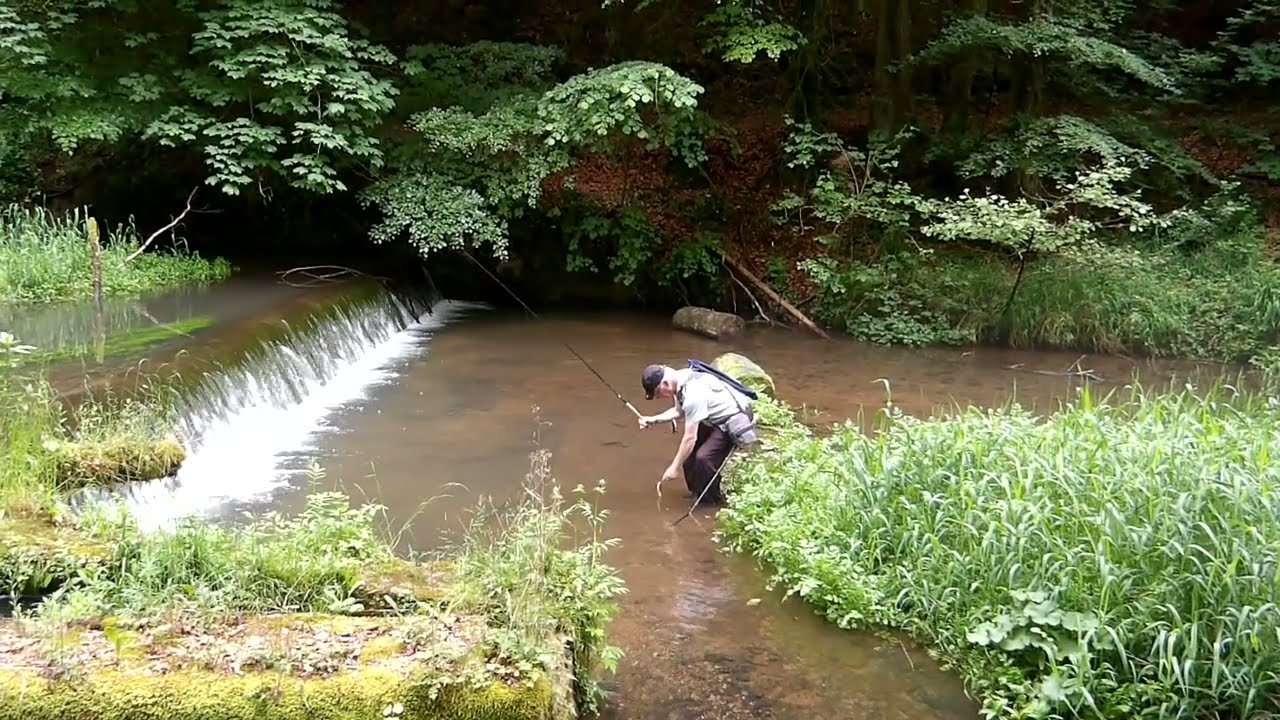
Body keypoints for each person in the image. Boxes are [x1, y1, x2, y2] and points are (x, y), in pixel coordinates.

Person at [637, 362, 758, 504]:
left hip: (731, 418)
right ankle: (697, 492)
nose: (658, 398)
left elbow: (690, 438)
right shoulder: (679, 380)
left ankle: (711, 502)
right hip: (711, 416)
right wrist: (654, 420)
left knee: (703, 458)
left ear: (666, 384)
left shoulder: (692, 393)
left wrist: (674, 468)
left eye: (657, 393)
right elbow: (678, 411)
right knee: (688, 459)